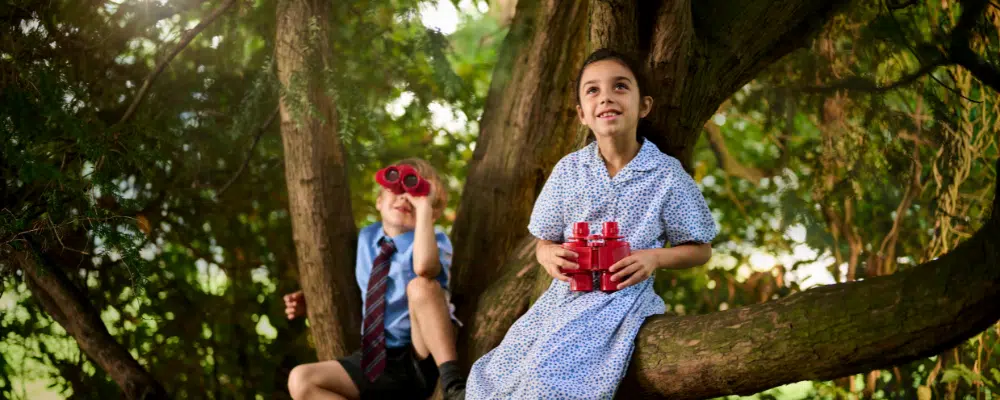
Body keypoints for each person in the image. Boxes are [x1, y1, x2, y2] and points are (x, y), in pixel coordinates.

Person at [465, 48, 718, 399]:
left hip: (619, 302)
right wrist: (548, 255)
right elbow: (543, 241)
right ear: (582, 114)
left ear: (643, 106)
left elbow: (701, 249)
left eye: (620, 87)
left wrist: (653, 258)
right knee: (493, 377)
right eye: (593, 90)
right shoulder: (569, 171)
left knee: (546, 380)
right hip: (562, 299)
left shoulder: (666, 175)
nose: (606, 98)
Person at [284, 158, 466, 400]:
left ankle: (453, 384)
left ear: (432, 214)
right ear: (379, 201)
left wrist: (423, 207)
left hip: (420, 354)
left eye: (415, 192)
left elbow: (424, 268)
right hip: (374, 360)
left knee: (421, 286)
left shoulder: (436, 241)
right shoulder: (367, 239)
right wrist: (312, 300)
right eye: (397, 190)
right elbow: (360, 287)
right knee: (301, 379)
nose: (404, 197)